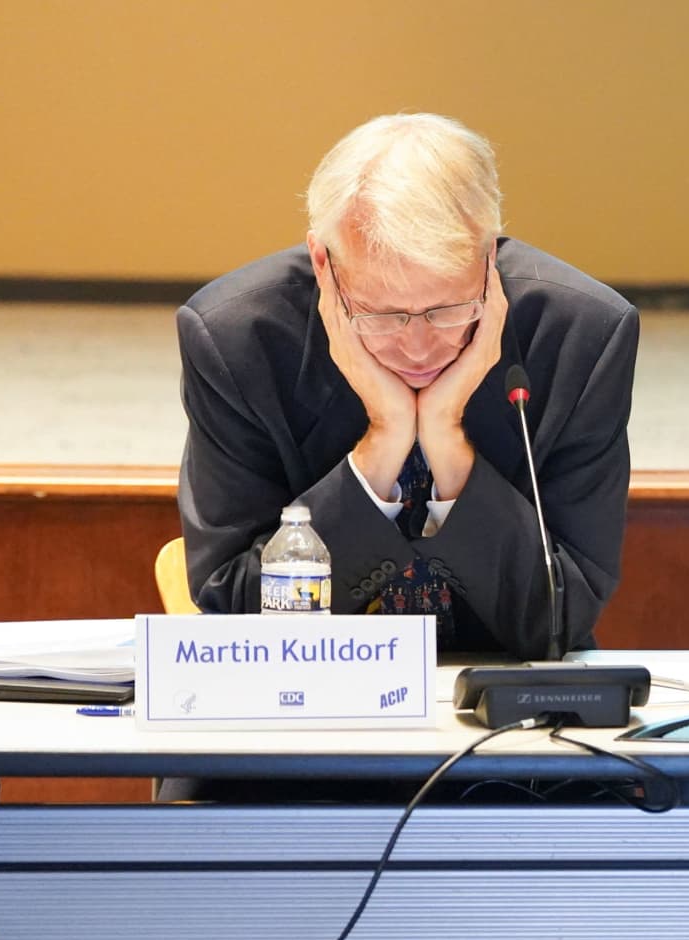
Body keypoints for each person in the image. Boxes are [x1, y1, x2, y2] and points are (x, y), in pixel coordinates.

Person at [177, 113, 637, 659]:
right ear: (324, 264)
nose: (418, 348)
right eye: (383, 314)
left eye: (447, 310)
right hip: (316, 687)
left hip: (501, 688)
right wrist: (383, 441)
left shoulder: (580, 336)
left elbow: (559, 618)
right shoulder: (237, 339)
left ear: (489, 256)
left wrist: (446, 440)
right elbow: (237, 612)